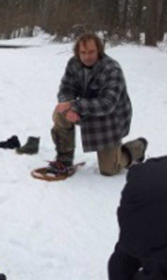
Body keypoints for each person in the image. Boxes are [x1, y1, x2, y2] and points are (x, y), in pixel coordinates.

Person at [50, 33, 147, 176]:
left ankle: (138, 147)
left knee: (109, 170)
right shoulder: (73, 63)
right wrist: (68, 106)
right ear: (77, 52)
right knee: (60, 113)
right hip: (85, 110)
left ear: (99, 50)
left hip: (110, 118)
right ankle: (64, 159)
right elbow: (66, 88)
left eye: (91, 52)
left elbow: (107, 104)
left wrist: (75, 106)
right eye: (83, 52)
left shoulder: (112, 69)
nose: (87, 56)